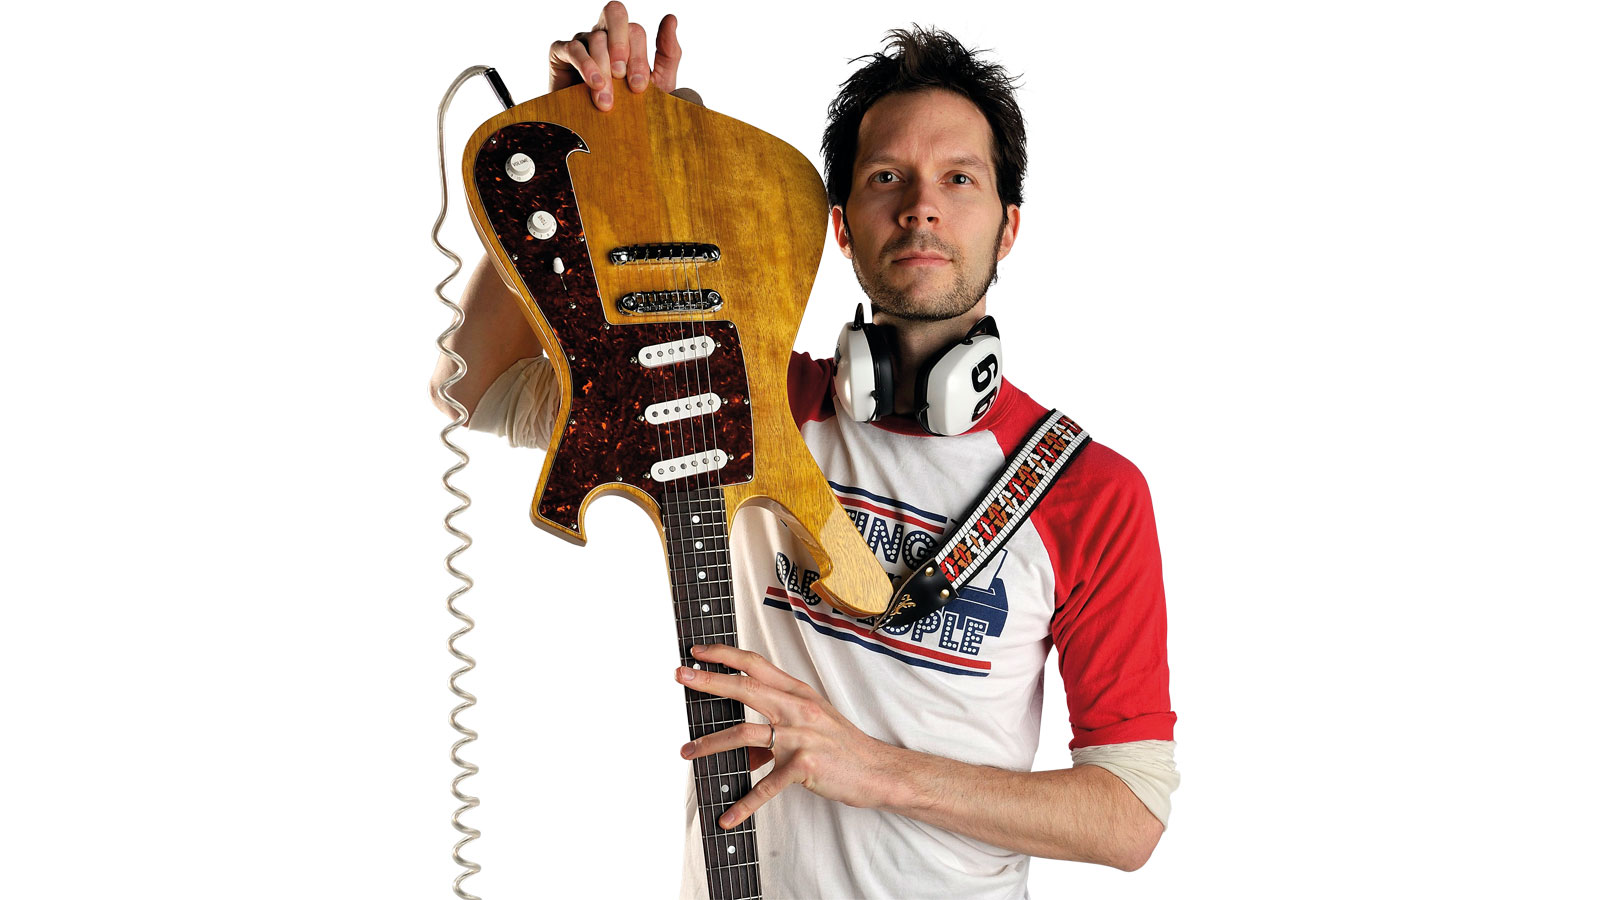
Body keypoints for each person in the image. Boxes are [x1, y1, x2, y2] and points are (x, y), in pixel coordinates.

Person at [431, 5, 1177, 897]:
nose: (922, 205)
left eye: (960, 179)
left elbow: (1128, 815)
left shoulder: (1090, 492)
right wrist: (554, 164)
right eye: (887, 176)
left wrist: (872, 769)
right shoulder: (734, 402)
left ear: (1008, 227)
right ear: (842, 227)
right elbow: (474, 386)